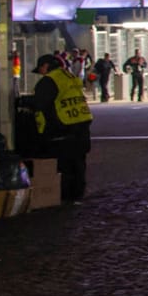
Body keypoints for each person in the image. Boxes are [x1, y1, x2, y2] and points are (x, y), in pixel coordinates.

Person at [29, 53, 93, 201]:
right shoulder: (69, 76)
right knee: (78, 163)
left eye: (40, 70)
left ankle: (65, 196)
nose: (41, 74)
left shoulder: (50, 80)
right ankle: (77, 195)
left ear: (45, 66)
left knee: (65, 165)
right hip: (82, 123)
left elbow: (40, 103)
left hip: (63, 127)